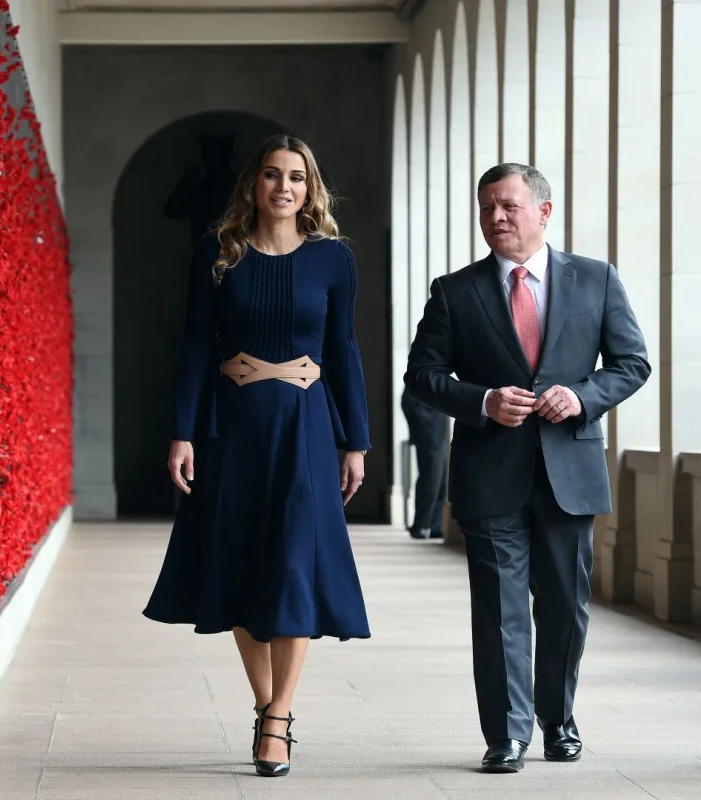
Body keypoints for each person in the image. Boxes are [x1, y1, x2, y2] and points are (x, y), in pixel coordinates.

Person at [404, 163, 650, 773]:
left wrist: (583, 397)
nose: (496, 218)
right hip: (490, 471)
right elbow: (423, 376)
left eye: (509, 206)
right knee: (499, 609)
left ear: (543, 211)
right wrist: (482, 401)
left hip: (570, 470)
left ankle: (558, 719)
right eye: (487, 207)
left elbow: (632, 362)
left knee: (565, 606)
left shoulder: (596, 279)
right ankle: (506, 735)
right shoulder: (454, 291)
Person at [142, 134, 372, 779]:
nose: (283, 187)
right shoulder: (218, 256)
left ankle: (278, 719)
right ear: (253, 185)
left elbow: (344, 350)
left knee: (295, 563)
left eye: (296, 177)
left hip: (304, 427)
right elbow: (192, 346)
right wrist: (182, 431)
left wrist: (356, 439)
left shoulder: (334, 261)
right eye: (272, 175)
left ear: (310, 188)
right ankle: (265, 703)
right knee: (244, 563)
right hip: (232, 427)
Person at [401, 385, 449, 539]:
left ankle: (435, 525)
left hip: (440, 433)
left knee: (441, 480)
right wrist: (420, 427)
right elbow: (407, 403)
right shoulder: (419, 377)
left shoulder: (440, 377)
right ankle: (421, 524)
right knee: (429, 478)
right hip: (428, 433)